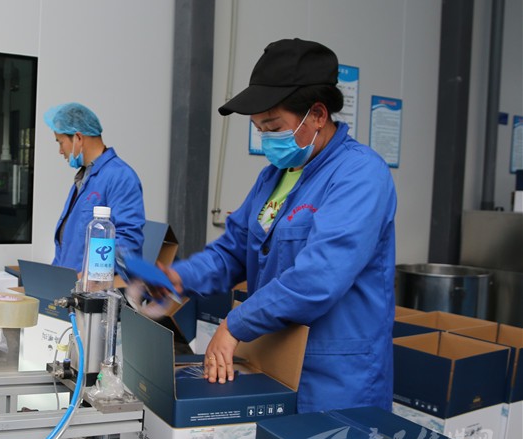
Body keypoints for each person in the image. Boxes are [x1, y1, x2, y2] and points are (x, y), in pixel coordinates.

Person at [159, 38, 397, 413]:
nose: (267, 139)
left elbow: (319, 277)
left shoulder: (361, 174)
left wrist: (235, 324)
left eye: (273, 126)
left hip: (335, 381)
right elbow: (232, 251)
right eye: (259, 128)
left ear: (317, 115)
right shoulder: (274, 176)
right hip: (276, 363)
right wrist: (177, 277)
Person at [45, 102, 146, 270]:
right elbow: (66, 246)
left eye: (60, 143)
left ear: (78, 138)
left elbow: (127, 244)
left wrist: (91, 277)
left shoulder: (121, 177)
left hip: (93, 286)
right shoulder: (84, 178)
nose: (60, 151)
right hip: (70, 283)